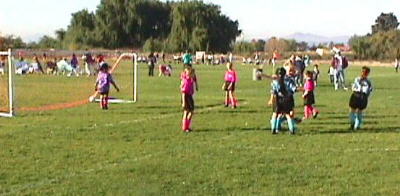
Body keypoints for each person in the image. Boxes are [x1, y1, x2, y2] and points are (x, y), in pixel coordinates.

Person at [269, 67, 298, 134]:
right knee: (288, 115)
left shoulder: (274, 81)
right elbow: (294, 89)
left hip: (277, 99)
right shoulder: (289, 80)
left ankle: (273, 129)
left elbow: (273, 92)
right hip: (287, 99)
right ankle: (292, 129)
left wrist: (271, 99)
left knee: (275, 114)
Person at [349, 66, 372, 131]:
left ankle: (352, 123)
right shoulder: (369, 81)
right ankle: (357, 126)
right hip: (363, 96)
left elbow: (353, 87)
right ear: (368, 73)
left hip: (356, 95)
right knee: (360, 112)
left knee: (352, 110)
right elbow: (370, 91)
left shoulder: (357, 79)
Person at [180, 66, 197, 132]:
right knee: (186, 112)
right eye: (192, 74)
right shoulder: (186, 81)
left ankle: (187, 126)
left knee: (191, 111)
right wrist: (184, 102)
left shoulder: (190, 80)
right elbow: (183, 92)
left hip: (189, 96)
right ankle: (185, 127)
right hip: (186, 97)